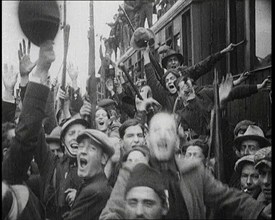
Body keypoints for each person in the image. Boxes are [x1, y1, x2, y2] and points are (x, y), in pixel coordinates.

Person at [100, 112, 271, 219]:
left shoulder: (193, 171)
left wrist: (258, 211)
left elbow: (226, 198)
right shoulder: (131, 172)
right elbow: (111, 212)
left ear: (176, 141)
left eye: (169, 131)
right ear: (148, 139)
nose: (162, 136)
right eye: (156, 131)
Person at [2, 40, 56, 220]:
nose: (11, 152)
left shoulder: (28, 181)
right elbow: (24, 138)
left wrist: (33, 76)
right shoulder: (8, 179)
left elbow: (25, 136)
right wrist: (39, 72)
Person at [142, 42, 235, 111]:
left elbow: (203, 66)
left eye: (175, 60)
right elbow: (152, 79)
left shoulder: (186, 74)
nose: (173, 62)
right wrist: (146, 54)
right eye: (170, 61)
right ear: (165, 65)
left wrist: (223, 52)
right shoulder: (164, 84)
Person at [63, 129, 114, 220]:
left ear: (103, 158)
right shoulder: (96, 184)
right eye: (81, 146)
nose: (83, 151)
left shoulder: (94, 191)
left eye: (91, 148)